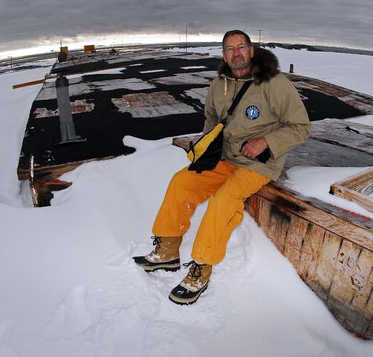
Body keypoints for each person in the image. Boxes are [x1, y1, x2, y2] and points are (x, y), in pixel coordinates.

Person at [133, 30, 311, 305]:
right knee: (181, 181)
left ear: (252, 51)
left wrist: (266, 141)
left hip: (258, 164)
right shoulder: (219, 83)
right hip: (224, 159)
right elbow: (211, 120)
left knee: (223, 200)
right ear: (224, 55)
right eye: (229, 49)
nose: (236, 53)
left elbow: (301, 128)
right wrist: (207, 148)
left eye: (241, 47)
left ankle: (202, 266)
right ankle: (167, 250)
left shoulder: (275, 84)